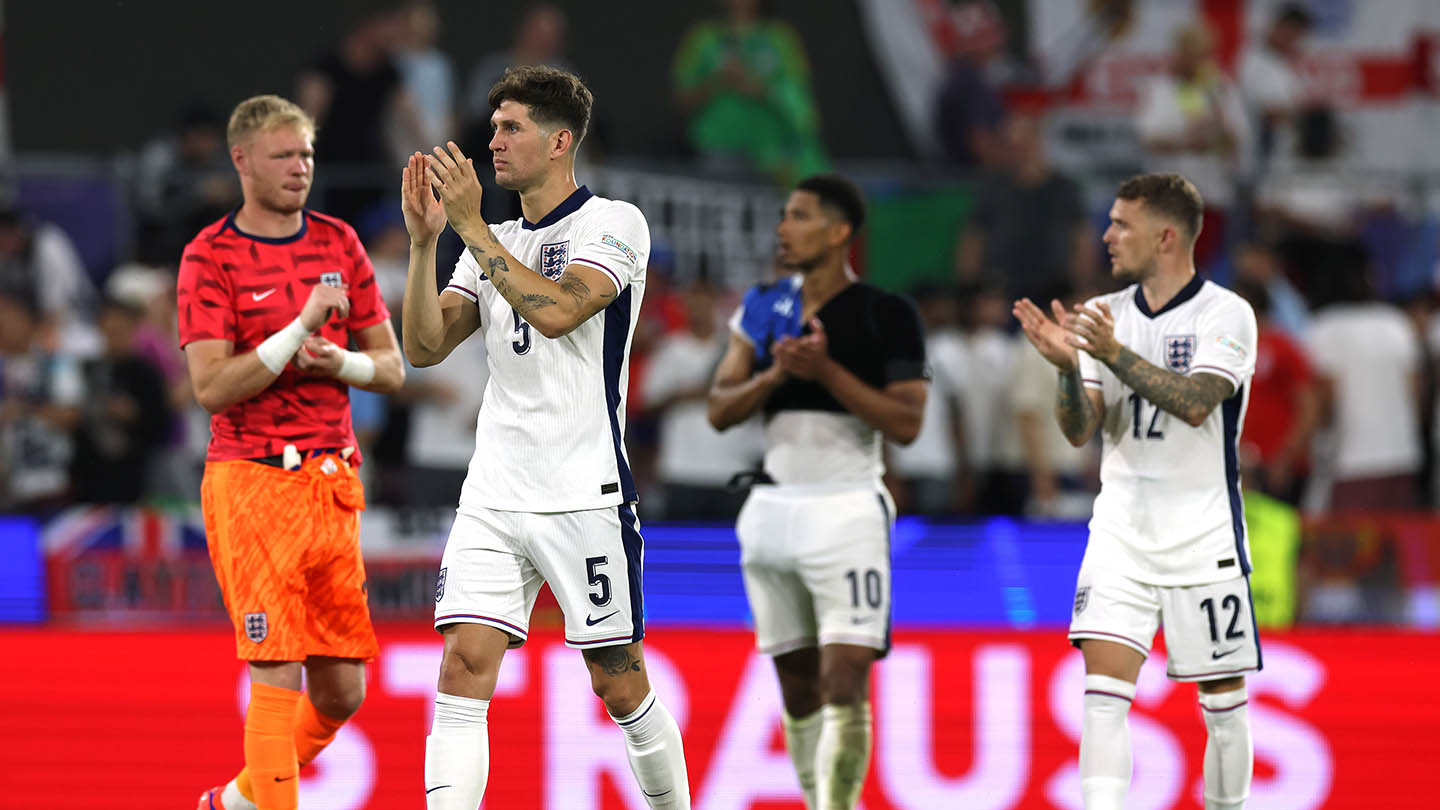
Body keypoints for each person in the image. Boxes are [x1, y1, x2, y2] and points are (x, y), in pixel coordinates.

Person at [400, 66, 690, 809]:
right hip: (494, 490)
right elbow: (426, 347)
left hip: (583, 490)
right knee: (463, 666)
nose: (492, 141)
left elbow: (560, 312)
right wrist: (424, 244)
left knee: (617, 684)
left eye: (510, 127)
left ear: (560, 141)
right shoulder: (484, 238)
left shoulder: (614, 224)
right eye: (492, 127)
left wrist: (468, 229)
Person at [182, 94, 406, 810]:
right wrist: (296, 333)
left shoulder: (339, 241)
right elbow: (212, 386)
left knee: (343, 691)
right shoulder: (209, 255)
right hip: (252, 480)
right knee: (277, 670)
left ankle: (236, 803)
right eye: (283, 155)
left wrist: (333, 362)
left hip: (333, 481)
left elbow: (393, 369)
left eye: (306, 155)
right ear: (241, 159)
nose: (299, 168)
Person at [1012, 173, 1259, 810]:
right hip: (1121, 535)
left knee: (1223, 710)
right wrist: (1069, 372)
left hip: (1204, 538)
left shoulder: (1225, 313)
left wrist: (1113, 356)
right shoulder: (1102, 315)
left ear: (1167, 235)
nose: (1107, 235)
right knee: (1101, 701)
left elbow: (1199, 403)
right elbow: (1079, 430)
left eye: (1122, 224)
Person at [708, 174, 928, 809]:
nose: (783, 228)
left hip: (847, 506)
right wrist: (778, 373)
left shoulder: (887, 313)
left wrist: (826, 370)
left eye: (799, 217)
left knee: (843, 678)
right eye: (783, 216)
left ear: (839, 233)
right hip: (771, 510)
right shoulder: (761, 305)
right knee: (799, 691)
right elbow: (720, 409)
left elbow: (907, 424)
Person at [642, 274, 762, 521]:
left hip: (732, 469)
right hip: (682, 469)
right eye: (693, 301)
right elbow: (647, 402)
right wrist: (688, 393)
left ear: (718, 304)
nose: (700, 309)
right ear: (684, 305)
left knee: (730, 554)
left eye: (706, 301)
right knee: (681, 553)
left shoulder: (739, 350)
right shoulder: (670, 348)